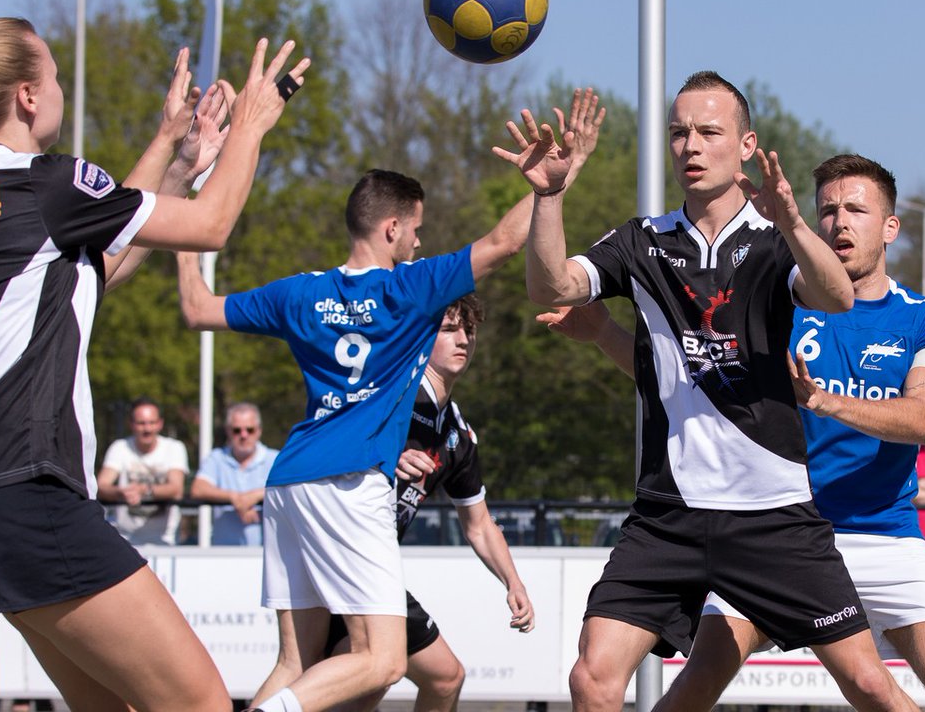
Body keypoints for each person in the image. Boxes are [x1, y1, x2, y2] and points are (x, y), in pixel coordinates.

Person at [0, 16, 308, 712]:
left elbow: (85, 272)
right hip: (31, 484)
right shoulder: (47, 183)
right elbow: (210, 226)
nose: (65, 88)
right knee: (201, 705)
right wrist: (250, 125)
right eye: (59, 76)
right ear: (29, 96)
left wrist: (177, 154)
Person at [175, 88, 604, 712]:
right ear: (392, 227)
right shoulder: (410, 289)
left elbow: (196, 309)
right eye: (417, 231)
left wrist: (190, 203)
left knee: (298, 661)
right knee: (382, 661)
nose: (420, 244)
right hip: (350, 484)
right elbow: (504, 244)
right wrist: (554, 185)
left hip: (289, 479)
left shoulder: (299, 293)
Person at [507, 71, 919, 712]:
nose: (690, 146)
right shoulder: (642, 242)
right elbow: (551, 287)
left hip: (773, 518)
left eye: (709, 132)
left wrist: (794, 223)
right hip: (666, 517)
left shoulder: (777, 243)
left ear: (747, 145)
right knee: (591, 677)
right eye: (679, 133)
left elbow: (837, 296)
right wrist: (550, 197)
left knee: (870, 685)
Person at [324, 294, 535, 712]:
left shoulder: (456, 433)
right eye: (449, 329)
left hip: (371, 566)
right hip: (340, 552)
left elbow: (479, 525)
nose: (463, 340)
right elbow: (327, 438)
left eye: (469, 331)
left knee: (431, 679)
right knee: (377, 675)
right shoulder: (391, 392)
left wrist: (514, 582)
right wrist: (387, 453)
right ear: (423, 337)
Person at [97, 398, 190, 546]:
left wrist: (144, 490)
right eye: (141, 423)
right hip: (126, 541)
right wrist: (121, 492)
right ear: (131, 424)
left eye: (152, 423)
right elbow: (101, 486)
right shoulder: (120, 447)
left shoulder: (174, 447)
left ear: (160, 423)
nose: (147, 429)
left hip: (165, 541)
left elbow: (176, 489)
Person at [190, 402, 279, 546]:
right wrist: (234, 498)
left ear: (259, 431)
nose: (243, 435)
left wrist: (256, 496)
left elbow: (290, 489)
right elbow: (198, 489)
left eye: (250, 430)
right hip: (224, 555)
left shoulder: (275, 459)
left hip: (267, 553)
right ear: (228, 431)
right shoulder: (216, 457)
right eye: (237, 430)